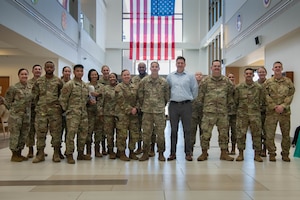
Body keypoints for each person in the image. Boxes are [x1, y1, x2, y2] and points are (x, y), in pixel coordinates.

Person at [197, 59, 235, 161]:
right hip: (209, 112)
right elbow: (200, 97)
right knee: (205, 133)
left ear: (220, 68)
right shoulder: (205, 81)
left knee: (224, 133)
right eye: (215, 66)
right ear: (211, 68)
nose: (217, 68)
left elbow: (231, 96)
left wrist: (228, 107)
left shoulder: (227, 81)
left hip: (222, 112)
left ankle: (224, 153)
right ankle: (204, 153)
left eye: (218, 66)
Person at [167, 56, 198, 161]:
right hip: (173, 105)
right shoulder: (170, 76)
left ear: (185, 64)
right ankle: (172, 153)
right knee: (173, 130)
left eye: (182, 63)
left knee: (187, 130)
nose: (180, 64)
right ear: (176, 64)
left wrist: (189, 99)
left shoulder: (190, 76)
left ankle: (188, 153)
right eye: (178, 63)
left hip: (186, 105)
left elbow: (194, 90)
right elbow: (167, 90)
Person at [32, 61, 63, 163]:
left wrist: (59, 106)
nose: (49, 69)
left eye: (51, 67)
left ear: (54, 69)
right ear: (44, 68)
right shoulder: (39, 81)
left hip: (55, 112)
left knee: (56, 133)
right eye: (47, 67)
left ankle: (56, 153)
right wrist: (39, 106)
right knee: (40, 133)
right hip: (41, 111)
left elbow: (62, 96)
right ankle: (40, 154)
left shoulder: (58, 81)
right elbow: (35, 96)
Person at [138, 61, 170, 161]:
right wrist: (145, 105)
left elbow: (167, 97)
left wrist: (160, 105)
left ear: (159, 69)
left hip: (159, 112)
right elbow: (140, 95)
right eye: (153, 67)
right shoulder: (144, 81)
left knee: (160, 134)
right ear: (150, 68)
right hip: (147, 111)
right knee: (146, 133)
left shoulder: (163, 82)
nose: (155, 68)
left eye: (156, 67)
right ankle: (145, 153)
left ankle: (161, 153)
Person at [60, 64, 91, 164]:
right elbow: (62, 99)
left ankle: (80, 153)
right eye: (78, 71)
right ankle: (69, 154)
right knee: (71, 135)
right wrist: (68, 111)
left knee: (83, 135)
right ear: (74, 72)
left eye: (81, 71)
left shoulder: (85, 85)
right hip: (73, 114)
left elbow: (86, 99)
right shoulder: (69, 84)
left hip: (83, 114)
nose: (80, 73)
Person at [264, 61, 295, 162]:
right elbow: (265, 95)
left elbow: (290, 94)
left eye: (279, 67)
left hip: (284, 113)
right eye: (275, 67)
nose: (277, 68)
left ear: (282, 69)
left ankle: (285, 154)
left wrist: (283, 106)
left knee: (286, 135)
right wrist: (274, 106)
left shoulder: (288, 81)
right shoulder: (268, 82)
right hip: (271, 113)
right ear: (273, 69)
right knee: (269, 134)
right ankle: (272, 153)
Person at [234, 68, 264, 162]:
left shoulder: (258, 87)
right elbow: (235, 101)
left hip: (255, 115)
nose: (248, 75)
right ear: (244, 75)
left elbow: (262, 100)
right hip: (242, 115)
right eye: (246, 73)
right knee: (240, 134)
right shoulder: (239, 87)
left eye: (250, 73)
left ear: (253, 75)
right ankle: (241, 154)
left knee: (257, 134)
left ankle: (257, 154)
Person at [4, 68, 32, 162]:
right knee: (15, 135)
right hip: (16, 117)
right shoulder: (14, 87)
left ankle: (19, 153)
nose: (24, 76)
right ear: (19, 76)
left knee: (23, 135)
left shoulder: (30, 87)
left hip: (26, 116)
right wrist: (14, 111)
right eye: (22, 74)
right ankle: (14, 154)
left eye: (25, 74)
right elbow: (7, 102)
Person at [115, 69, 139, 161]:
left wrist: (136, 108)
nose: (126, 76)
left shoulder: (135, 87)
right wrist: (130, 109)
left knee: (134, 134)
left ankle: (132, 152)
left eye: (128, 74)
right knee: (122, 134)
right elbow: (120, 101)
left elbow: (138, 99)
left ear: (130, 76)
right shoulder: (119, 87)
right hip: (122, 114)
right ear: (121, 76)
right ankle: (122, 152)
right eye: (124, 75)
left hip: (134, 114)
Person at [86, 69, 104, 158]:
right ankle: (88, 151)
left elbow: (105, 98)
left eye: (96, 74)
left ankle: (97, 150)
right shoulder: (85, 86)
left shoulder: (101, 86)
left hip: (99, 112)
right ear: (89, 76)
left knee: (99, 132)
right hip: (89, 112)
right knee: (89, 132)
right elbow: (82, 98)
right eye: (92, 75)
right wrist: (88, 101)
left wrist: (98, 95)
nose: (94, 76)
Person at [131, 62, 148, 155]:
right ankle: (138, 147)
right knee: (137, 129)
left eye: (143, 67)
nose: (141, 68)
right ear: (137, 68)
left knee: (148, 129)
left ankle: (149, 148)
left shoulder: (149, 78)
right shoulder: (134, 80)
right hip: (137, 108)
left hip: (147, 108)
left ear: (145, 68)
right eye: (140, 67)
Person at [26, 64, 42, 158]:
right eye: (35, 69)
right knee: (30, 131)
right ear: (32, 71)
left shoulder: (43, 82)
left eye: (39, 69)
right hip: (31, 110)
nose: (37, 71)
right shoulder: (28, 83)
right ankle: (30, 150)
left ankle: (40, 150)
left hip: (41, 110)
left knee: (41, 131)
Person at [103, 73, 119, 159]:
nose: (112, 78)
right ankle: (111, 150)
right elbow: (101, 101)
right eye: (110, 77)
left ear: (116, 78)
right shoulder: (105, 88)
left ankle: (120, 150)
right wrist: (101, 113)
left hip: (119, 114)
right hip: (108, 114)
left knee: (120, 133)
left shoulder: (120, 87)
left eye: (113, 77)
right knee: (109, 134)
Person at [98, 64, 110, 155]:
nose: (106, 72)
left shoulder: (112, 80)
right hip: (102, 108)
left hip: (111, 109)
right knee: (101, 131)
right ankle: (103, 148)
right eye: (104, 70)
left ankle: (110, 148)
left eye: (107, 70)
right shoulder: (99, 82)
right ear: (102, 72)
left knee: (109, 131)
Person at [256, 66, 267, 157]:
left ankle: (265, 150)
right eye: (259, 72)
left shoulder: (270, 83)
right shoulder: (255, 85)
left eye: (263, 72)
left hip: (268, 112)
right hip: (257, 112)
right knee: (257, 132)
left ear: (265, 73)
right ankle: (258, 150)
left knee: (267, 132)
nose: (261, 74)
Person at [191, 71, 203, 154]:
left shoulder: (205, 86)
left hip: (203, 112)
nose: (198, 76)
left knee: (204, 133)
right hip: (192, 113)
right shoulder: (191, 86)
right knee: (191, 132)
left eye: (200, 75)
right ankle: (190, 150)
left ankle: (204, 151)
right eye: (197, 75)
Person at [60, 66, 71, 156]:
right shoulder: (58, 83)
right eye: (65, 71)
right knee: (59, 132)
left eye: (68, 71)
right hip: (59, 112)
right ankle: (58, 151)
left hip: (70, 113)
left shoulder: (73, 83)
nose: (67, 73)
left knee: (69, 133)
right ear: (63, 72)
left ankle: (68, 151)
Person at [227, 72, 237, 155]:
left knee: (235, 132)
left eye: (232, 77)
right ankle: (225, 149)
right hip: (225, 113)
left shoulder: (238, 88)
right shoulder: (224, 88)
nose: (231, 78)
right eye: (229, 77)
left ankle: (233, 148)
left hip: (235, 113)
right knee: (225, 132)